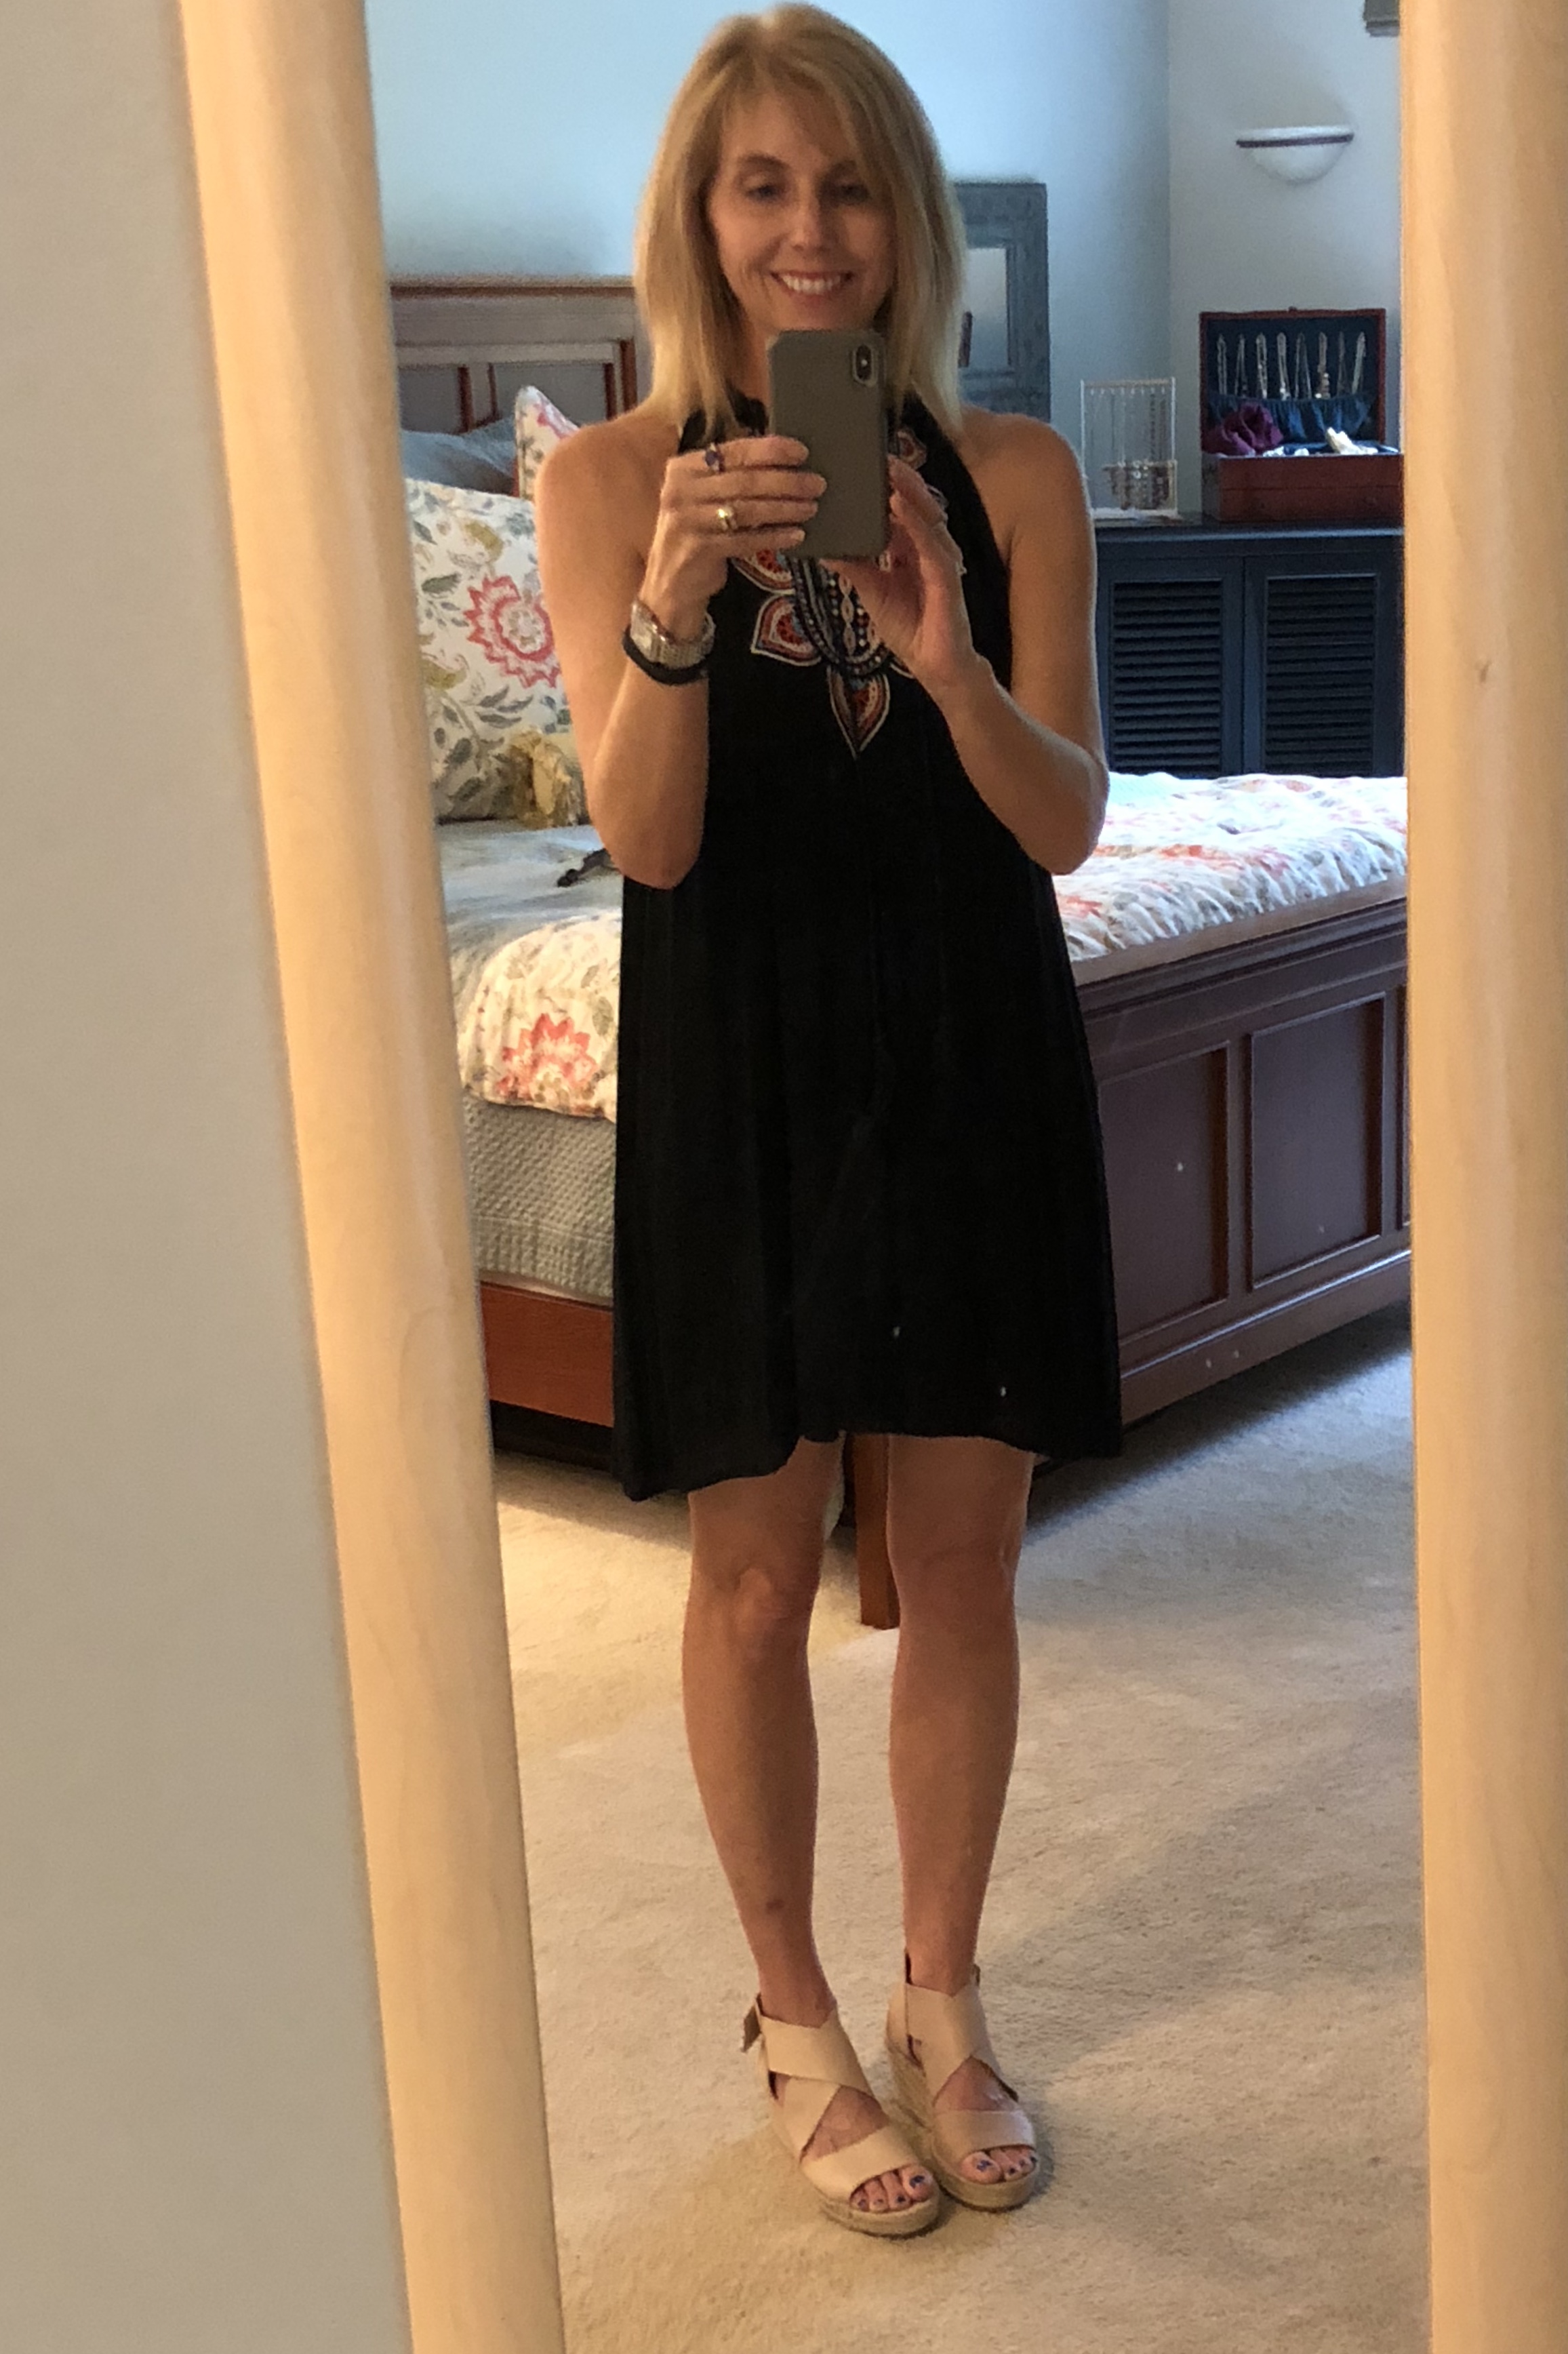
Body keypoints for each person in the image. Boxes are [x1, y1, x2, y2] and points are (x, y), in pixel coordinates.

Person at [536, 3, 1120, 2238]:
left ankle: (938, 1997)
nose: (812, 230)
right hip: (742, 1066)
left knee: (959, 1559)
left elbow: (1061, 829)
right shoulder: (605, 486)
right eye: (764, 184)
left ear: (909, 219)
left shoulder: (1019, 472)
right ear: (701, 218)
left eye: (852, 184)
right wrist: (673, 609)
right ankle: (791, 2014)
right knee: (755, 1573)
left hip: (968, 1047)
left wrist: (947, 655)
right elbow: (648, 843)